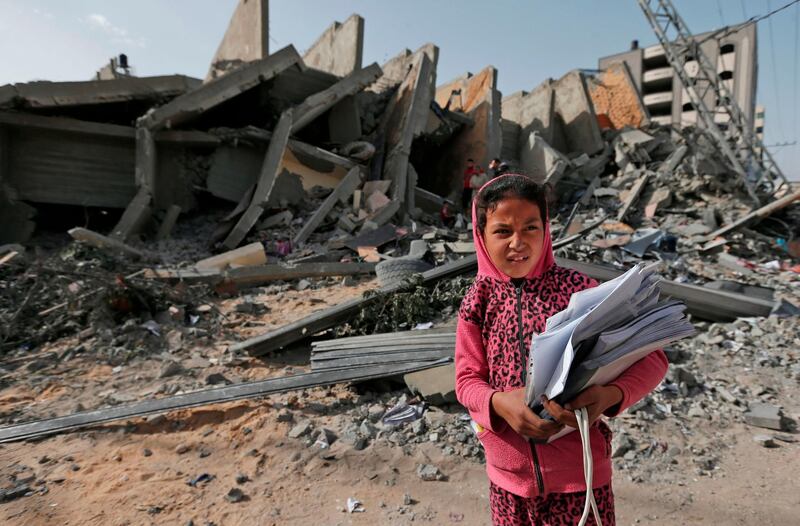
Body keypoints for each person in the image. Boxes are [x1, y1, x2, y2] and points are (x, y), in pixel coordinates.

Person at [455, 174, 667, 525]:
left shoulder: (580, 293)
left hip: (580, 481)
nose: (518, 242)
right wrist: (498, 403)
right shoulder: (478, 300)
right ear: (481, 234)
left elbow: (653, 358)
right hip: (509, 481)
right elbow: (466, 380)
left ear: (546, 229)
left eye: (530, 228)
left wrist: (611, 395)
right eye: (503, 231)